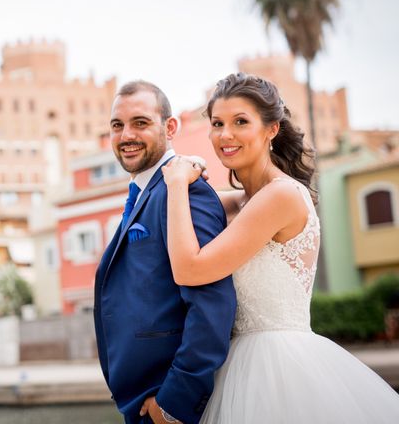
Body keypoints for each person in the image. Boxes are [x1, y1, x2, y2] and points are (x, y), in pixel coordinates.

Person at [161, 72, 399, 423]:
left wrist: (178, 183)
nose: (225, 135)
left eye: (240, 122)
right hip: (233, 364)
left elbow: (189, 269)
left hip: (280, 368)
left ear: (272, 129)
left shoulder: (282, 195)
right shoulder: (238, 204)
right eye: (217, 123)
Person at [94, 80, 237, 424]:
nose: (126, 135)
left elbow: (212, 305)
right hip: (141, 399)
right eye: (117, 125)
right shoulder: (148, 190)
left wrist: (174, 404)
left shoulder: (186, 192)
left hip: (169, 404)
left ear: (170, 127)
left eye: (140, 123)